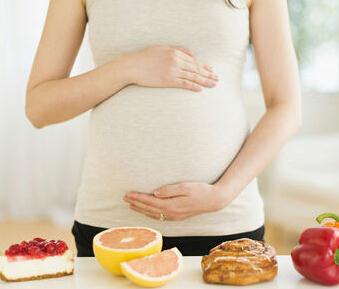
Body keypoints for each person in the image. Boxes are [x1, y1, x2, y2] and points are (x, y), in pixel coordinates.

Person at [25, 0, 301, 256]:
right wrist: (128, 68)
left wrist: (223, 194)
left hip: (225, 224)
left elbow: (286, 107)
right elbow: (39, 107)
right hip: (111, 224)